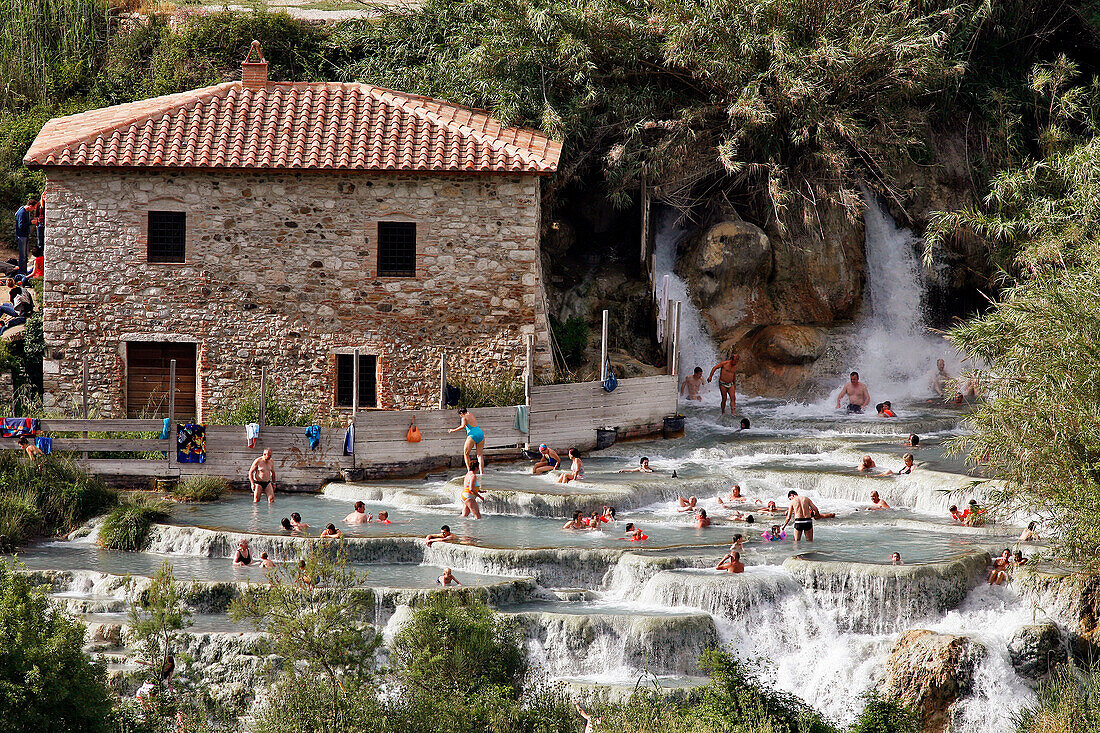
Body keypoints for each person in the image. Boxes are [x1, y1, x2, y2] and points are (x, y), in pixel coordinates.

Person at [449, 407, 485, 473]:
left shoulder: (464, 417)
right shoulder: (471, 414)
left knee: (466, 454)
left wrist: (453, 430)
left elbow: (462, 426)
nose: (460, 416)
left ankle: (469, 472)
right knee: (479, 455)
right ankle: (481, 473)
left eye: (460, 415)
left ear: (461, 413)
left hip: (473, 435)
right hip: (480, 434)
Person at [14, 195, 36, 274]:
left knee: (25, 256)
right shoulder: (22, 212)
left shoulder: (26, 211)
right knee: (22, 256)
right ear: (30, 206)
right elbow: (21, 225)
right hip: (21, 236)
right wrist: (30, 222)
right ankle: (21, 272)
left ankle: (24, 271)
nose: (33, 210)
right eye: (33, 208)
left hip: (25, 235)